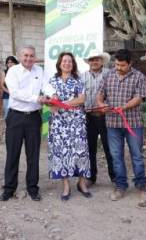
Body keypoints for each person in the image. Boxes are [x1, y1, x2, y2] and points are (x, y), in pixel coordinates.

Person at [96, 49, 146, 206]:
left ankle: (141, 187)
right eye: (117, 64)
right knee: (116, 156)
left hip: (133, 123)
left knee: (137, 155)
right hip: (112, 123)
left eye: (122, 65)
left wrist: (124, 107)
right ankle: (120, 186)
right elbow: (100, 94)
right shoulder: (108, 75)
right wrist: (100, 104)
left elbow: (139, 98)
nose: (119, 67)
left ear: (130, 63)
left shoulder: (139, 76)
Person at [0, 45, 46, 202]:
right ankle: (9, 189)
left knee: (33, 155)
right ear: (20, 56)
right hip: (16, 117)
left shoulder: (40, 71)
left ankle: (33, 188)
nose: (28, 58)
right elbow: (15, 93)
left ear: (35, 57)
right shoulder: (13, 71)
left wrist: (52, 94)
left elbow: (46, 86)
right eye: (25, 55)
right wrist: (36, 98)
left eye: (31, 55)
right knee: (13, 153)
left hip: (33, 117)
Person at [45, 52, 91, 201]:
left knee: (80, 151)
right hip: (58, 122)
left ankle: (82, 183)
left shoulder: (78, 80)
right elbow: (48, 99)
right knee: (61, 152)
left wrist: (63, 104)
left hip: (76, 121)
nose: (67, 64)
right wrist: (50, 103)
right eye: (64, 61)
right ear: (59, 63)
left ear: (73, 64)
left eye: (70, 61)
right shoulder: (52, 81)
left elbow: (82, 98)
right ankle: (66, 186)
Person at [81, 50, 114, 187]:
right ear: (88, 62)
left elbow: (113, 94)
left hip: (106, 116)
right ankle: (91, 177)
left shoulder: (110, 75)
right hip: (88, 117)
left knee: (109, 148)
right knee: (90, 148)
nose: (94, 62)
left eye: (97, 59)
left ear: (102, 61)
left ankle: (115, 177)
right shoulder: (81, 77)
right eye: (92, 59)